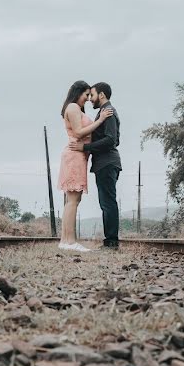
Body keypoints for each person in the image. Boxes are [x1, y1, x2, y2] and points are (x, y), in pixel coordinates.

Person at [58, 80, 114, 252]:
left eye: (90, 95)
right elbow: (78, 132)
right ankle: (69, 242)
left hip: (79, 157)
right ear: (78, 93)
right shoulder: (73, 107)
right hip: (75, 156)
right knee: (73, 200)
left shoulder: (74, 108)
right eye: (86, 95)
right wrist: (101, 119)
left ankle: (65, 241)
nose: (88, 99)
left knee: (73, 199)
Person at [69, 82, 121, 249]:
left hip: (107, 163)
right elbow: (115, 140)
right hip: (105, 163)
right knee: (106, 202)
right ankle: (110, 241)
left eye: (92, 95)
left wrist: (85, 147)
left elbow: (111, 140)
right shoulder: (104, 113)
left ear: (102, 95)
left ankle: (111, 242)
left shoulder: (108, 112)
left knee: (108, 203)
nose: (90, 99)